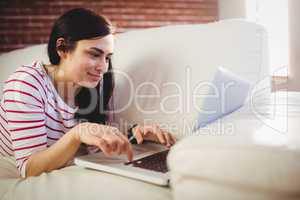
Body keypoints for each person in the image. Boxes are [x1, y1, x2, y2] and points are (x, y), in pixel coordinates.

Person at [0, 8, 176, 178]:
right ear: (62, 49)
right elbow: (30, 168)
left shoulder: (92, 86)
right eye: (94, 54)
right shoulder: (26, 84)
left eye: (107, 57)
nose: (103, 67)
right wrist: (77, 133)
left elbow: (95, 144)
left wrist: (134, 135)